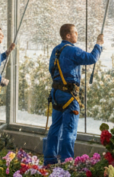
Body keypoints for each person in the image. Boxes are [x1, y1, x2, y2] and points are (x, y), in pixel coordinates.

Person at [43, 24, 103, 165]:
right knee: (69, 129)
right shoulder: (72, 51)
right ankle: (67, 161)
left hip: (57, 93)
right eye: (75, 32)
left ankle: (50, 159)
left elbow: (52, 69)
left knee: (55, 127)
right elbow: (91, 58)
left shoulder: (56, 50)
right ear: (68, 35)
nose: (77, 34)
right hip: (69, 95)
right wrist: (99, 44)